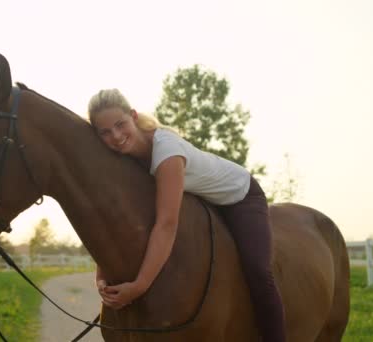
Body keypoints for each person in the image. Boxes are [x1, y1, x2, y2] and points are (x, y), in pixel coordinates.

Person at [87, 88, 286, 342]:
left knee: (258, 271)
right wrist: (101, 275)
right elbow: (120, 225)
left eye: (120, 124)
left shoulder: (166, 151)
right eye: (105, 132)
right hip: (200, 199)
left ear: (134, 116)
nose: (115, 136)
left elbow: (166, 225)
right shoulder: (123, 160)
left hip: (239, 196)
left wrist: (139, 287)